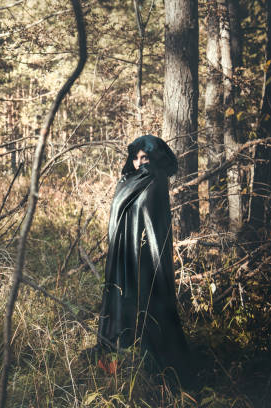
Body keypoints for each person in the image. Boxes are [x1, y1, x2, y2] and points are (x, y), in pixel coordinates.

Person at [93, 134, 192, 384]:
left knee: (148, 306)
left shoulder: (156, 183)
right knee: (121, 303)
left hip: (147, 260)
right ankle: (119, 359)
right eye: (135, 158)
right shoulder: (126, 182)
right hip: (123, 257)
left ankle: (153, 367)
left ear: (155, 158)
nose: (139, 163)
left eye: (145, 157)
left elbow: (154, 225)